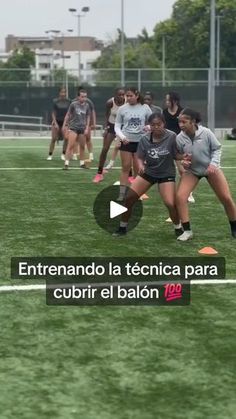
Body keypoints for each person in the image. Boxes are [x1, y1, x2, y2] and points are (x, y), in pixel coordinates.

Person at [113, 113, 183, 237]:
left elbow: (177, 154)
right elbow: (139, 157)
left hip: (166, 174)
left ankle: (178, 228)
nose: (156, 127)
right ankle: (122, 227)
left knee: (170, 203)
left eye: (159, 124)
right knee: (129, 198)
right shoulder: (145, 139)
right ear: (149, 126)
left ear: (164, 124)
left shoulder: (172, 136)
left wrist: (185, 158)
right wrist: (140, 165)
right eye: (153, 125)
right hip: (149, 172)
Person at [176, 108, 236, 241]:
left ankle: (234, 227)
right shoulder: (179, 137)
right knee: (180, 197)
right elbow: (180, 155)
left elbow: (217, 148)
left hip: (211, 169)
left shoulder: (206, 133)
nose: (181, 125)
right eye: (179, 122)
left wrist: (213, 164)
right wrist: (183, 162)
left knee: (226, 198)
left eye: (184, 122)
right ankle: (187, 231)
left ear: (193, 121)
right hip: (192, 171)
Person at [114, 87, 152, 201]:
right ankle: (122, 194)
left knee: (138, 169)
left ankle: (135, 193)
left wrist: (148, 127)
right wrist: (122, 137)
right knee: (125, 168)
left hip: (140, 142)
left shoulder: (145, 108)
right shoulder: (122, 109)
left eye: (131, 96)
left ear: (137, 95)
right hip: (126, 142)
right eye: (127, 96)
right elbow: (117, 126)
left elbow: (153, 122)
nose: (128, 98)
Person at [163, 91, 195, 205]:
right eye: (166, 100)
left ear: (174, 101)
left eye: (168, 100)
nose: (166, 102)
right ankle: (167, 191)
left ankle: (188, 192)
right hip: (167, 144)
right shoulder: (164, 112)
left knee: (182, 170)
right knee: (163, 170)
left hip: (179, 145)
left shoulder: (182, 112)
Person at [93, 87, 125, 183]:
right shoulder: (110, 102)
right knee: (105, 148)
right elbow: (107, 115)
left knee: (127, 151)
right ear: (115, 95)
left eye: (123, 94)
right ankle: (99, 173)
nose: (122, 96)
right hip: (112, 126)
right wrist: (106, 128)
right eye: (119, 94)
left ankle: (130, 175)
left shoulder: (127, 102)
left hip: (123, 127)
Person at [62, 89, 91, 170]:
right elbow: (68, 114)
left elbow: (88, 116)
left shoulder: (87, 105)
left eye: (85, 97)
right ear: (78, 97)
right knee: (70, 145)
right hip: (73, 127)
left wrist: (87, 127)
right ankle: (66, 164)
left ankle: (82, 163)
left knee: (82, 146)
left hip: (82, 128)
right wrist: (65, 125)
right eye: (82, 96)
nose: (84, 98)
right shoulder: (73, 104)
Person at [72, 86, 96, 162]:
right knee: (75, 139)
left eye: (84, 95)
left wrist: (94, 123)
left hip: (86, 124)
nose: (83, 97)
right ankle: (75, 154)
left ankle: (91, 154)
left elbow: (92, 112)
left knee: (88, 138)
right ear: (78, 95)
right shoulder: (73, 102)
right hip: (76, 124)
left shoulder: (89, 102)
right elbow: (70, 114)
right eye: (81, 95)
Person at [47, 87, 71, 161]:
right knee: (54, 138)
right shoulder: (55, 101)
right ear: (59, 93)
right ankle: (50, 155)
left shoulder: (69, 101)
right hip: (57, 121)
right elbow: (53, 113)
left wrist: (67, 122)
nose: (63, 94)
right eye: (62, 92)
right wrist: (55, 122)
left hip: (65, 122)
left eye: (64, 92)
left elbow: (70, 113)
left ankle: (63, 154)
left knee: (66, 139)